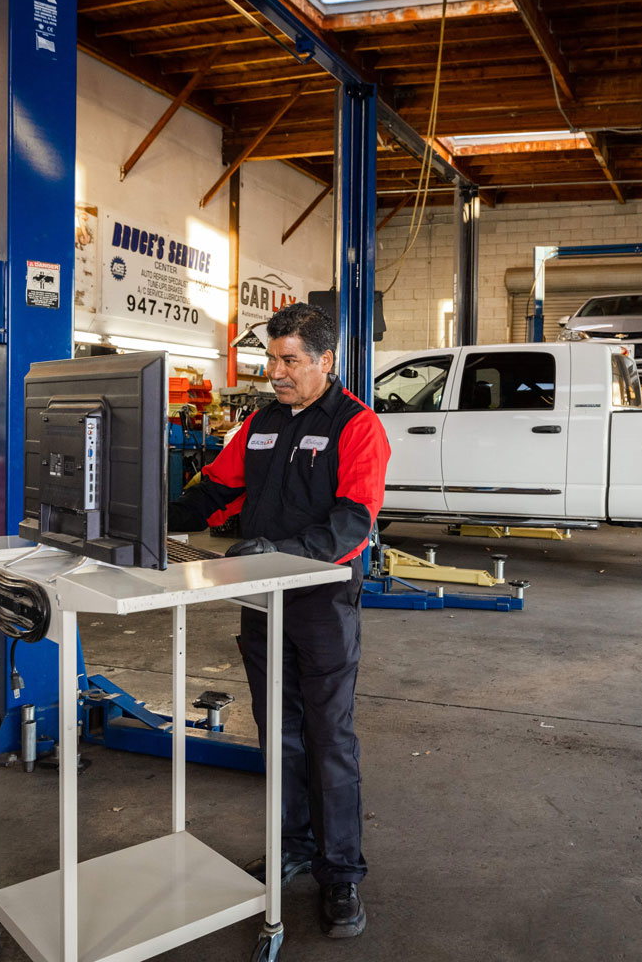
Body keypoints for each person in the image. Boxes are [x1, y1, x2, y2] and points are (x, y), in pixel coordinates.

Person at [169, 302, 389, 939]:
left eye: (289, 360)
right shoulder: (261, 424)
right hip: (260, 602)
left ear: (326, 361)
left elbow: (353, 522)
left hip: (320, 605)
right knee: (278, 732)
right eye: (271, 358)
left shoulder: (358, 427)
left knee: (329, 738)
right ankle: (292, 842)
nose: (276, 372)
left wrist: (285, 553)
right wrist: (151, 515)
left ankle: (341, 871)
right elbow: (216, 491)